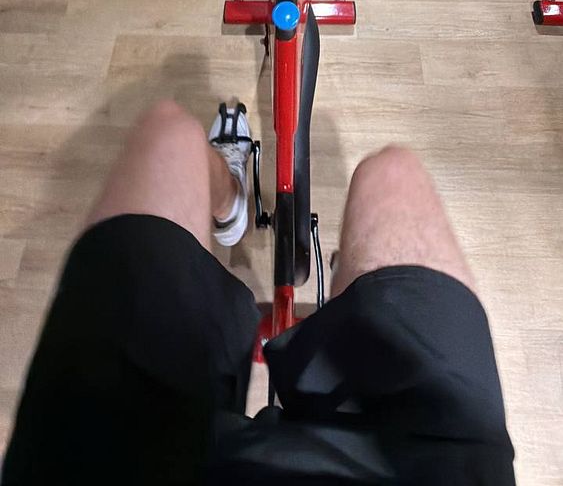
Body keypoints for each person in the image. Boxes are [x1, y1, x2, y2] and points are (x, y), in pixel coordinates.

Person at [3, 100, 516, 485]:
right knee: (392, 173)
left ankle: (231, 202)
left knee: (170, 133)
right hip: (424, 469)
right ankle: (348, 292)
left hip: (102, 462)